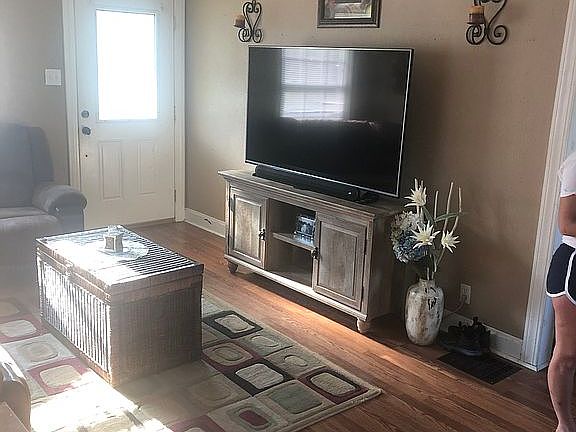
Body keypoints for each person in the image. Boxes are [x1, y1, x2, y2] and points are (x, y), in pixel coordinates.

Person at [547, 150, 576, 432]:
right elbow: (566, 223)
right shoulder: (575, 164)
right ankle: (565, 425)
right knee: (567, 355)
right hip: (572, 267)